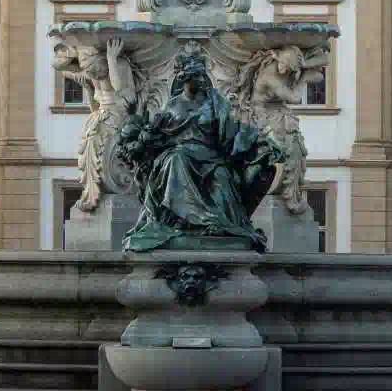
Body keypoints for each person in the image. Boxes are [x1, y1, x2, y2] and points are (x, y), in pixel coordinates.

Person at [120, 48, 281, 252]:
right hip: (179, 152)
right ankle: (184, 219)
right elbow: (160, 136)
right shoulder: (172, 105)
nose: (202, 80)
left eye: (202, 76)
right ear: (185, 79)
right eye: (196, 76)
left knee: (222, 176)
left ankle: (218, 224)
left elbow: (231, 129)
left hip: (210, 156)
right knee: (176, 160)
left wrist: (257, 140)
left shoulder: (214, 102)